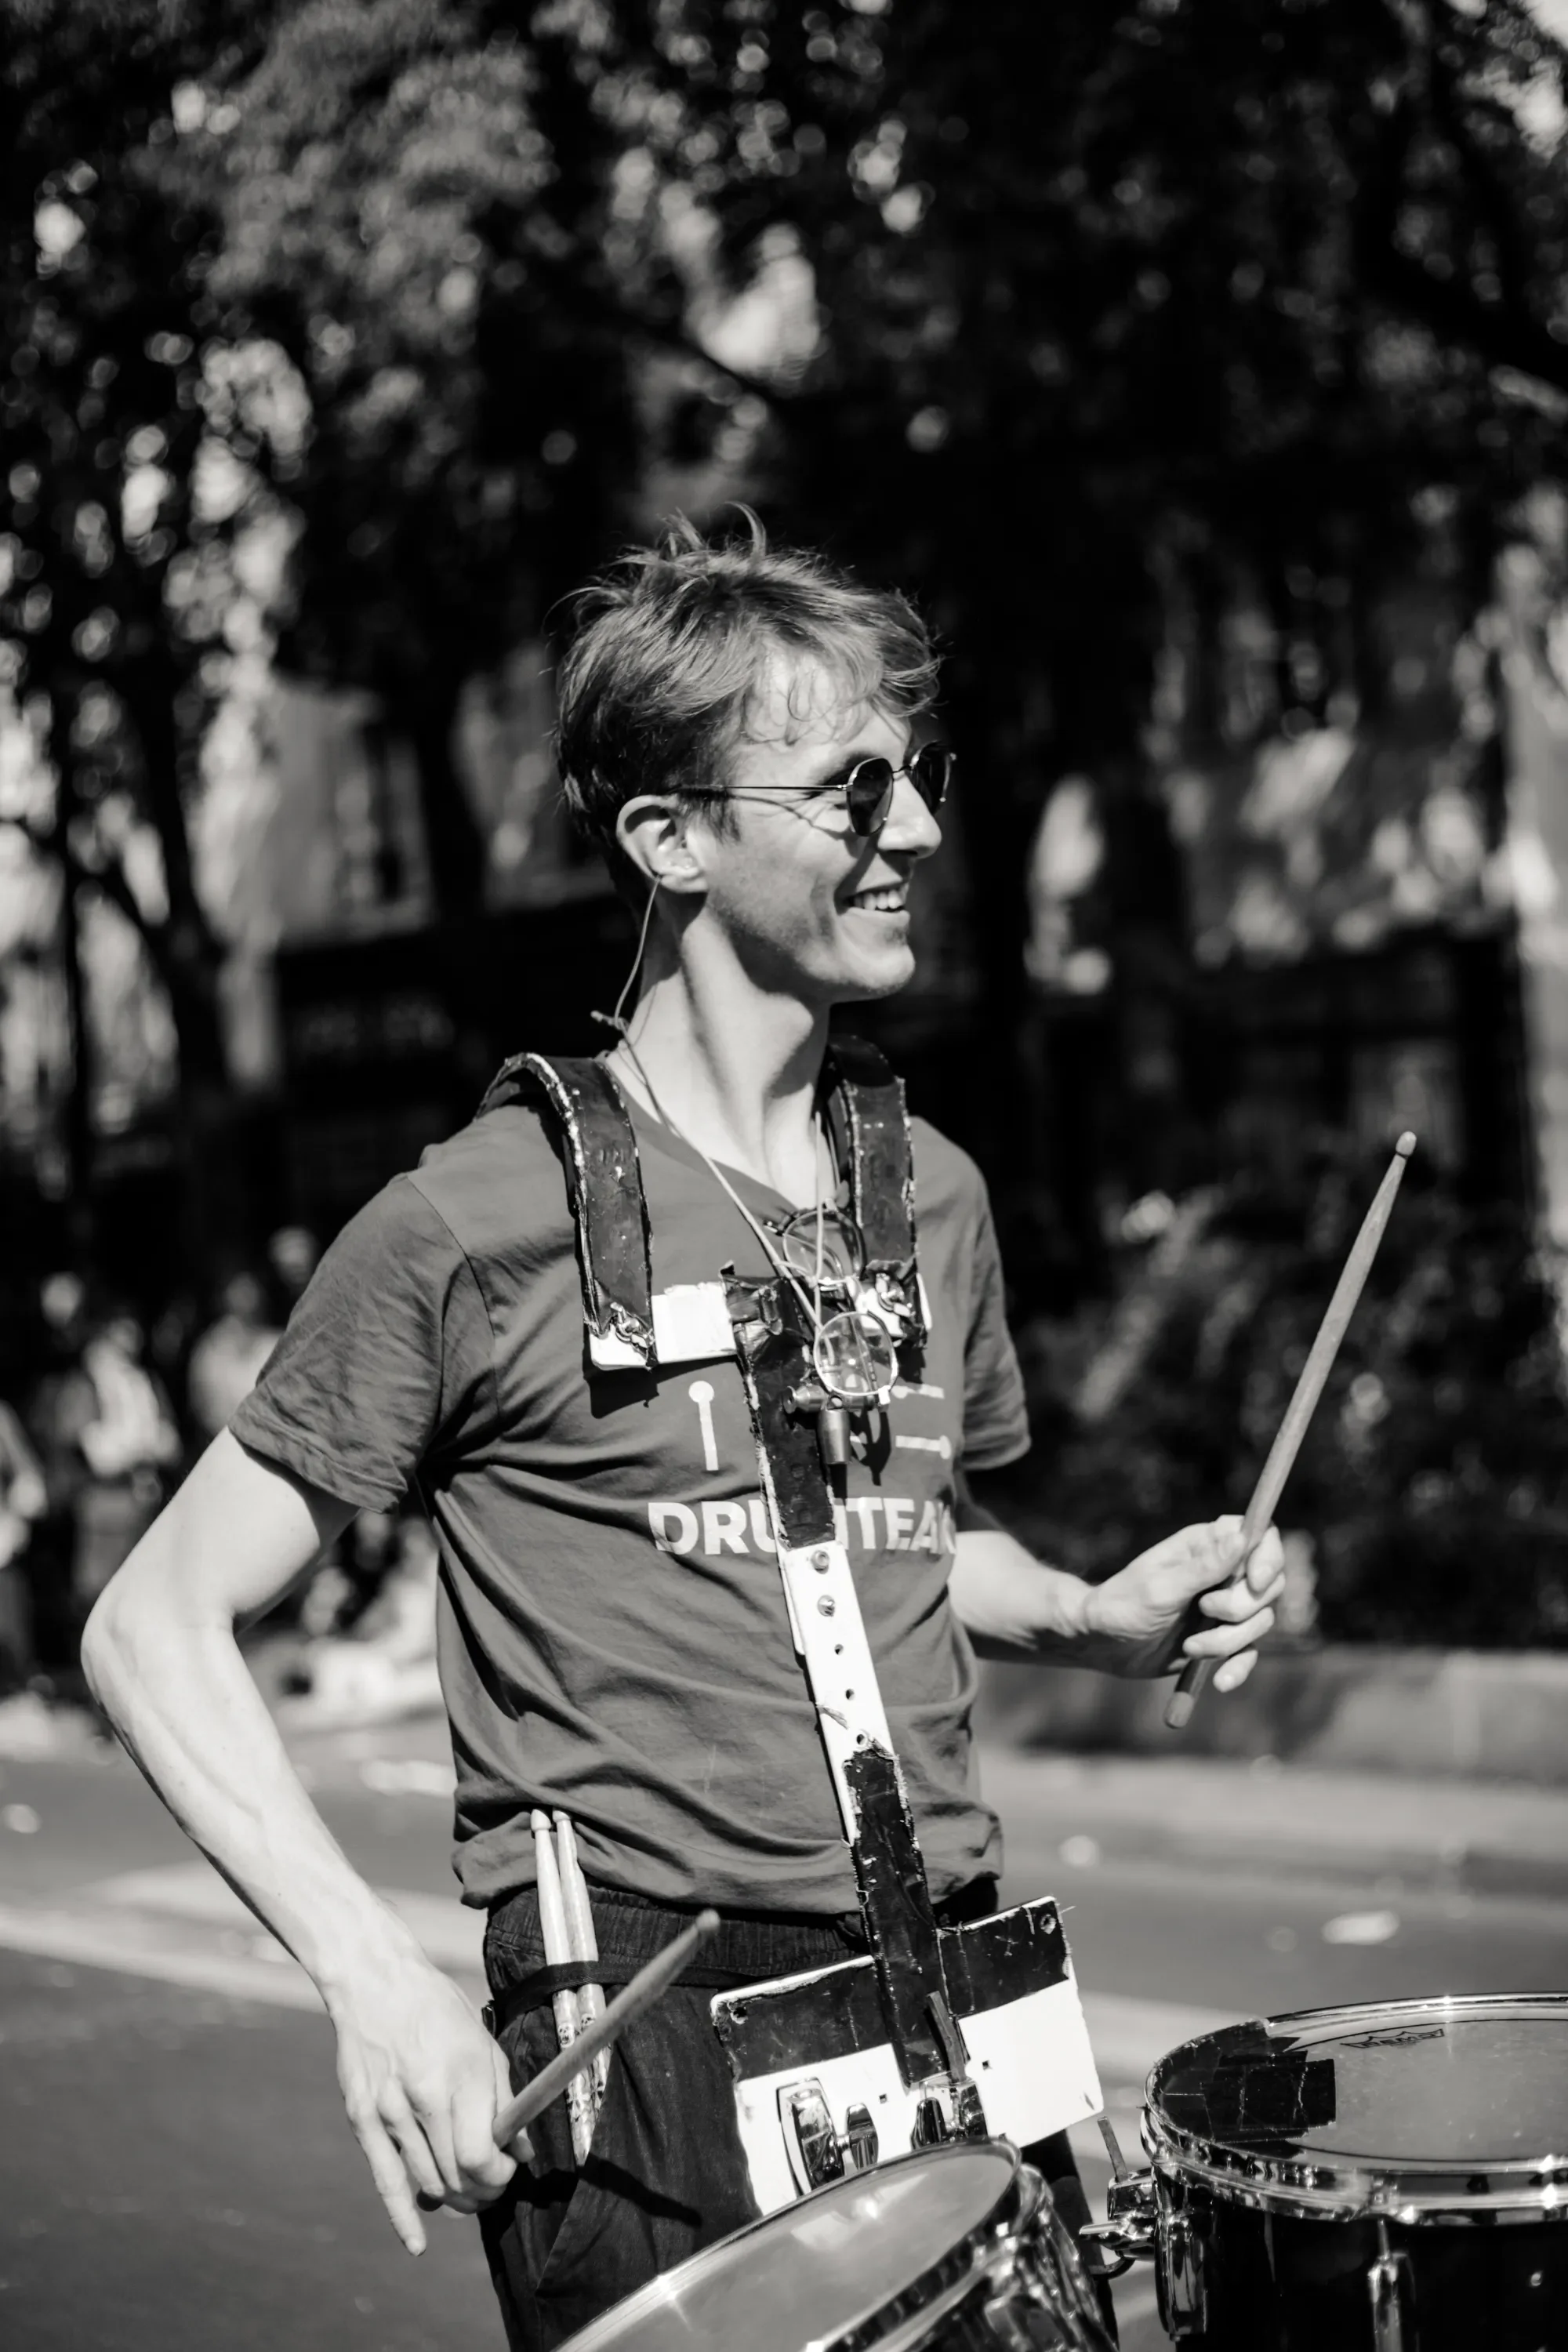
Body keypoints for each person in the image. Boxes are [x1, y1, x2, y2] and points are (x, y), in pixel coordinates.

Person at [83, 517, 1282, 2352]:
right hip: (654, 2055)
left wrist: (1089, 1614)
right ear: (670, 836)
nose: (918, 830)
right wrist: (370, 1975)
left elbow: (889, 1533)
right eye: (855, 787)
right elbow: (150, 1625)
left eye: (921, 776)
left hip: (957, 2000)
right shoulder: (474, 1219)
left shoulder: (931, 1191)